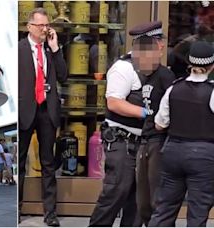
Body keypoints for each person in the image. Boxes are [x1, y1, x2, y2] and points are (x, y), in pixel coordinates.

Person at [89, 21, 168, 226]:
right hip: (122, 140)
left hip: (144, 144)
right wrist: (147, 113)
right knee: (116, 192)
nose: (162, 47)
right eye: (159, 43)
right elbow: (114, 103)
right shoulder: (124, 68)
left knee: (137, 202)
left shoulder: (157, 70)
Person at [149, 41, 214, 227]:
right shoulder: (212, 92)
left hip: (173, 151)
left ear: (190, 64)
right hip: (204, 155)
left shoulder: (173, 89)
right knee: (197, 212)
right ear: (212, 66)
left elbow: (160, 125)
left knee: (164, 208)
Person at [18, 7, 67, 226]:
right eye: (40, 25)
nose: (45, 29)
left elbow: (64, 77)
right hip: (26, 111)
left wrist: (56, 48)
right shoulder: (18, 49)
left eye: (47, 25)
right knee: (19, 162)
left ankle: (50, 213)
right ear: (29, 27)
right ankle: (16, 208)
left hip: (47, 110)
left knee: (48, 163)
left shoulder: (50, 50)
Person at [127, 22, 177, 226]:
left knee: (157, 198)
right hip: (145, 140)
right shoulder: (145, 75)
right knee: (143, 201)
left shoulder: (165, 76)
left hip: (158, 142)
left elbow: (170, 110)